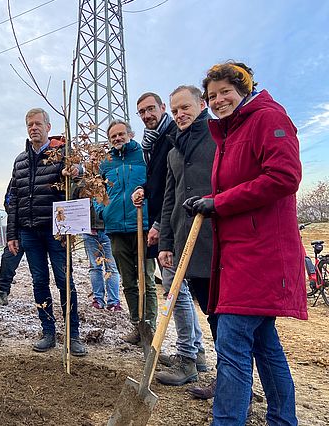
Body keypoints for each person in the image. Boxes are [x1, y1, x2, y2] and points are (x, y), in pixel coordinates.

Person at [184, 61, 306, 425]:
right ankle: (283, 421)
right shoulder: (231, 131)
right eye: (212, 96)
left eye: (225, 92)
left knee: (233, 344)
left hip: (262, 254)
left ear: (245, 89)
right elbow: (239, 183)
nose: (218, 100)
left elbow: (284, 177)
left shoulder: (268, 118)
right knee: (266, 347)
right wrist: (210, 199)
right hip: (240, 253)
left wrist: (218, 203)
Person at [131, 92, 205, 365]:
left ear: (162, 108)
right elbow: (160, 181)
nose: (147, 115)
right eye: (141, 112)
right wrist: (143, 189)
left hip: (175, 223)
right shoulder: (154, 142)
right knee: (178, 289)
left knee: (176, 290)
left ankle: (188, 355)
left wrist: (159, 225)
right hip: (167, 221)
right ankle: (196, 352)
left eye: (151, 109)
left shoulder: (174, 135)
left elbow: (172, 188)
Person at [6, 108, 86, 356]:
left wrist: (76, 171)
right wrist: (12, 234)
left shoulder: (61, 155)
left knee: (64, 280)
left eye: (38, 124)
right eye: (29, 124)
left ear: (48, 127)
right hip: (30, 232)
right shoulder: (20, 161)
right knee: (39, 281)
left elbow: (83, 174)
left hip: (58, 231)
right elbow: (13, 199)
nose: (33, 128)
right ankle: (48, 331)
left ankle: (73, 334)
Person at [154, 85, 217, 387]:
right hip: (183, 237)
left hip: (215, 239)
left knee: (219, 314)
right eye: (175, 109)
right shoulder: (174, 151)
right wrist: (166, 242)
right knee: (198, 305)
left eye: (185, 108)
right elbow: (170, 199)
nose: (180, 114)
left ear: (201, 104)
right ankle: (191, 361)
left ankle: (229, 379)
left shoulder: (219, 138)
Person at [95, 119, 156, 343]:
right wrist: (102, 211)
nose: (117, 139)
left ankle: (150, 327)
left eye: (121, 134)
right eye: (113, 136)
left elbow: (155, 184)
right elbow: (97, 191)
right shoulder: (106, 163)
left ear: (130, 134)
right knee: (129, 281)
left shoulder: (143, 156)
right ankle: (137, 326)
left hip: (141, 225)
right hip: (116, 229)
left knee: (146, 280)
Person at [75, 148, 121, 311]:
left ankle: (114, 301)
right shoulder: (83, 181)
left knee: (112, 266)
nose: (94, 162)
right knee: (95, 266)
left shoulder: (109, 178)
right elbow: (74, 198)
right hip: (89, 230)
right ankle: (98, 299)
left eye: (98, 158)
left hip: (108, 230)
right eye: (92, 159)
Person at [0, 178, 24, 306]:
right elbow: (8, 200)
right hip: (19, 228)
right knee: (8, 260)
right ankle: (3, 292)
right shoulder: (16, 178)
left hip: (39, 227)